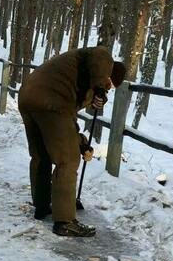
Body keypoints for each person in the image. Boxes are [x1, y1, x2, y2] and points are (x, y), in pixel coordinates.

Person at [18, 47, 126, 237]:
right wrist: (100, 88)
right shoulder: (103, 60)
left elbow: (68, 120)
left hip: (29, 97)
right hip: (51, 101)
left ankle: (42, 205)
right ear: (109, 75)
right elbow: (100, 55)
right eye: (110, 84)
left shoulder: (73, 76)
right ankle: (65, 221)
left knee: (41, 155)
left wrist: (82, 142)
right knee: (68, 161)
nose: (108, 88)